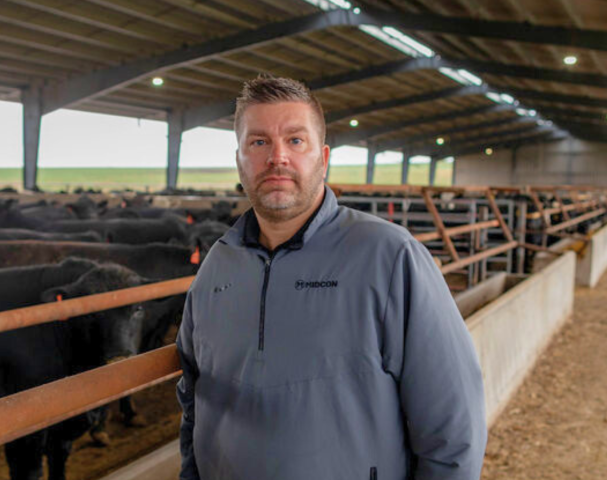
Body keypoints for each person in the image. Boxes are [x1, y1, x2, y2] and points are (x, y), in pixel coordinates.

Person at [175, 75, 487, 480]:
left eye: (295, 140)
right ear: (239, 160)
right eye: (258, 142)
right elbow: (193, 405)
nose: (277, 157)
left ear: (322, 158)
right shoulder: (217, 266)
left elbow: (452, 425)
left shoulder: (389, 257)